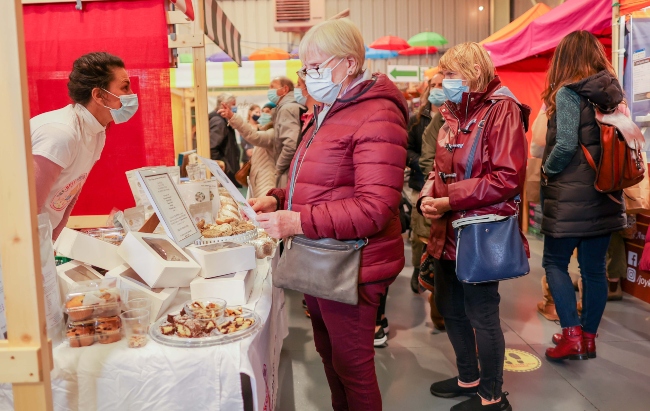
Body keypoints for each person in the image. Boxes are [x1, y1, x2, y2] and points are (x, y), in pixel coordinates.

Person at [247, 19, 407, 411]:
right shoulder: (332, 110)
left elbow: (373, 207)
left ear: (349, 64)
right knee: (330, 357)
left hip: (352, 262)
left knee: (353, 366)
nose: (309, 77)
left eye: (316, 67)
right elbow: (326, 181)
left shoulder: (376, 114)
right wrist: (279, 197)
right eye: (306, 69)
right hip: (322, 255)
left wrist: (296, 221)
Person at [419, 42, 529, 411]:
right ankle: (469, 377)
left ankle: (493, 398)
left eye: (450, 74)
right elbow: (438, 169)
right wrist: (426, 198)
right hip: (447, 227)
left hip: (480, 229)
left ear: (473, 72)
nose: (442, 81)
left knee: (482, 314)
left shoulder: (502, 110)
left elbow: (507, 177)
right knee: (450, 306)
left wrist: (450, 198)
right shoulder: (452, 113)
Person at [540, 31, 626, 362]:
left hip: (569, 196)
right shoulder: (612, 95)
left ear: (564, 58)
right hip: (605, 193)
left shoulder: (567, 94)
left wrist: (547, 171)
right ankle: (588, 339)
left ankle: (572, 337)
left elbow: (564, 144)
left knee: (555, 263)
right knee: (593, 271)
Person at [31, 52, 136, 241]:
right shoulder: (61, 134)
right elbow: (29, 209)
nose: (131, 95)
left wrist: (53, 240)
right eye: (125, 87)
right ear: (98, 95)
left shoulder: (97, 133)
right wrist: (39, 257)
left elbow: (68, 196)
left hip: (40, 238)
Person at [219, 77, 303, 189]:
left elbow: (290, 144)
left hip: (267, 181)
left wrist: (279, 168)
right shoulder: (283, 114)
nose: (270, 90)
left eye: (272, 86)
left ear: (285, 89)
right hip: (265, 179)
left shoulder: (285, 112)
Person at [418, 71, 446, 331]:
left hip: (466, 206)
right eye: (435, 84)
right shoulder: (431, 122)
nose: (438, 89)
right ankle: (440, 316)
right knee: (436, 262)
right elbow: (427, 160)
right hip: (437, 202)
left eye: (444, 83)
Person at [406, 81, 433, 293]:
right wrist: (424, 163)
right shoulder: (416, 121)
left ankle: (433, 271)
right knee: (418, 235)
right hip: (420, 184)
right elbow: (407, 150)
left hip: (445, 187)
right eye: (436, 84)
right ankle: (417, 268)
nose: (441, 88)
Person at [209, 93, 241, 186]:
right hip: (225, 174)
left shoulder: (222, 120)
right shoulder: (219, 121)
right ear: (225, 105)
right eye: (233, 104)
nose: (235, 107)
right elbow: (212, 148)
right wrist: (225, 167)